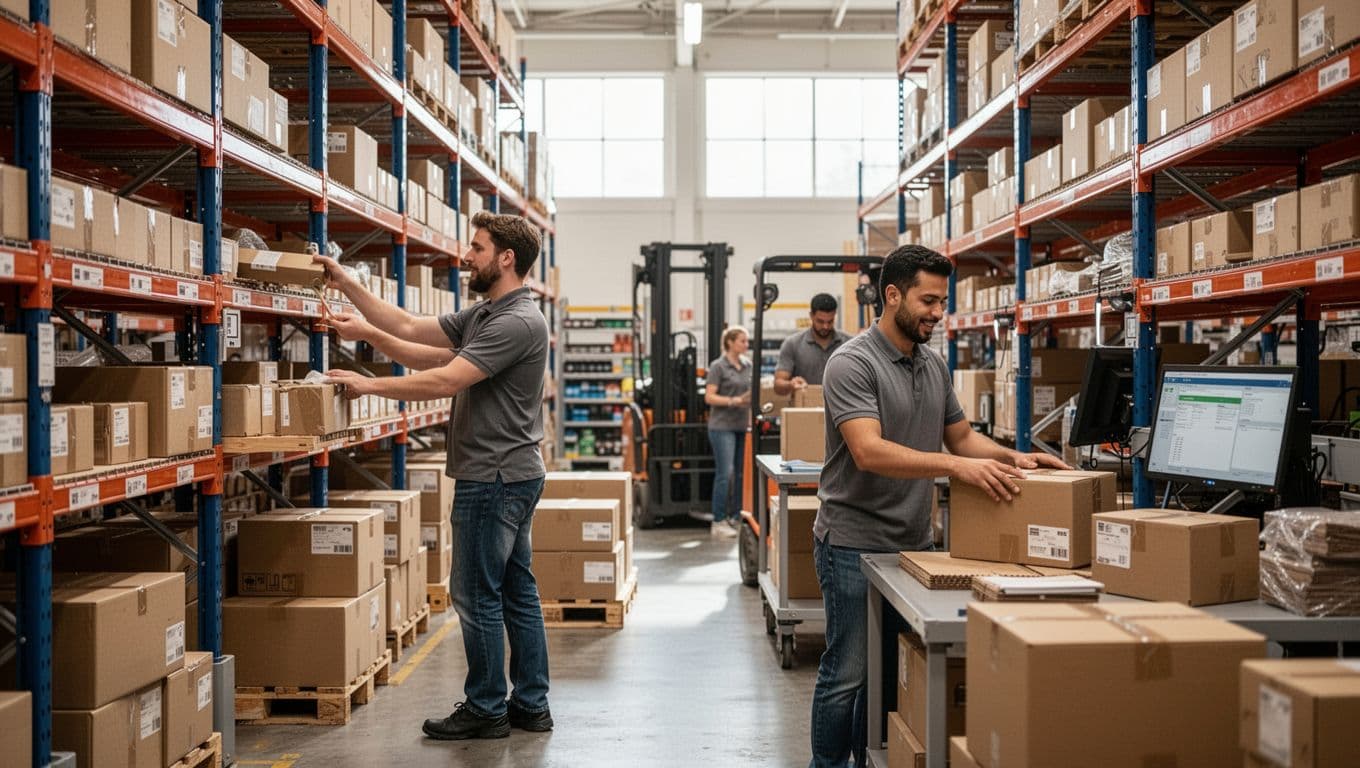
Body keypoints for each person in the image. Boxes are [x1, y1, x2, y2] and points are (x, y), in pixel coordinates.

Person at [808, 245, 1070, 768]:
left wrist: (1019, 458)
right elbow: (869, 450)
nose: (936, 312)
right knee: (849, 672)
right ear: (893, 294)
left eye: (941, 302)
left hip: (914, 547)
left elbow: (963, 438)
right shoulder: (851, 363)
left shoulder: (931, 364)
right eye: (927, 300)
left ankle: (869, 759)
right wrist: (954, 469)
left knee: (887, 674)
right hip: (851, 545)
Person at [316, 211, 554, 741]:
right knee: (515, 590)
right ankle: (530, 705)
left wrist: (369, 385)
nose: (466, 256)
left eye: (476, 248)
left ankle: (488, 706)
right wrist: (352, 292)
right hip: (508, 473)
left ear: (505, 258)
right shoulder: (488, 314)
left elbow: (446, 378)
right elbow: (410, 331)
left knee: (475, 593)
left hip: (494, 478)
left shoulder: (517, 322)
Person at [704, 326, 752, 538]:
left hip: (742, 425)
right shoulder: (718, 366)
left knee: (741, 475)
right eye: (742, 341)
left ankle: (735, 516)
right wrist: (735, 401)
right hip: (721, 426)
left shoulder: (748, 365)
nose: (746, 344)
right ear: (730, 342)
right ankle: (718, 520)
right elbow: (710, 397)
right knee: (726, 473)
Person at [773, 293, 851, 396]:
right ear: (811, 316)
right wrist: (791, 384)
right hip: (805, 408)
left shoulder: (849, 344)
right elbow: (778, 385)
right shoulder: (792, 344)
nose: (825, 326)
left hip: (840, 408)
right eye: (820, 321)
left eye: (830, 321)